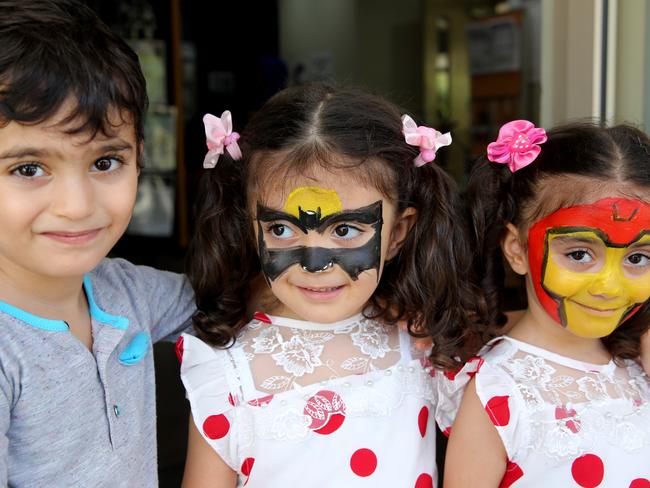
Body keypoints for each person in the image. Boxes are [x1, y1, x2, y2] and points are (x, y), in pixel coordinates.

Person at [178, 83, 477, 486]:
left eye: (346, 229)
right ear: (250, 227)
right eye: (281, 228)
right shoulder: (226, 374)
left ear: (398, 233)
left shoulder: (424, 344)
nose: (314, 263)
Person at [0, 1, 195, 486]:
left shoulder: (126, 291)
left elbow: (242, 299)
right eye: (28, 169)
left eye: (105, 162)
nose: (77, 204)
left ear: (139, 159)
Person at [444, 121, 650, 486]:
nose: (609, 287)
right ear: (516, 249)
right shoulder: (498, 390)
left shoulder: (639, 362)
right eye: (580, 253)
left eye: (637, 259)